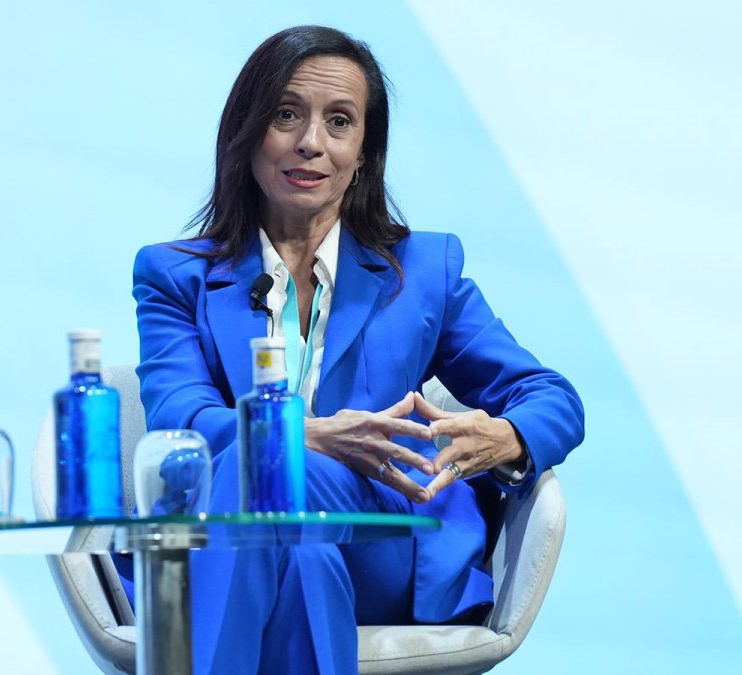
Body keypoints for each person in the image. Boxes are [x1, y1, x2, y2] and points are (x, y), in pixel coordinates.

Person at [131, 25, 584, 675]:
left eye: (339, 122)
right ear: (248, 131)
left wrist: (505, 438)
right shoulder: (175, 275)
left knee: (268, 479)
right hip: (243, 537)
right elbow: (184, 424)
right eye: (287, 114)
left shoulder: (424, 270)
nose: (310, 142)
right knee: (291, 533)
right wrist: (310, 435)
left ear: (365, 152)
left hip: (383, 542)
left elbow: (553, 397)